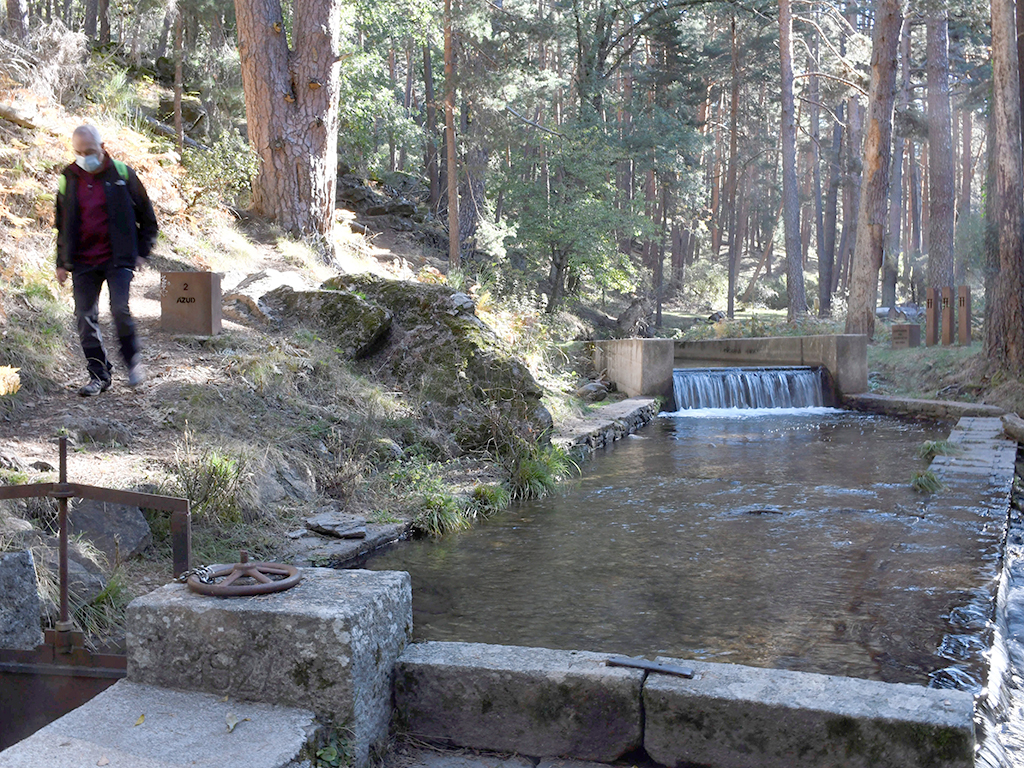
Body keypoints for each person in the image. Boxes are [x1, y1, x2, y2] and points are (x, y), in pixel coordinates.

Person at [55, 125, 158, 396]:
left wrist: (141, 252)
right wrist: (61, 262)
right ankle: (99, 375)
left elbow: (148, 218)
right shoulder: (68, 177)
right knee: (84, 317)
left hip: (118, 257)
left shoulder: (123, 174)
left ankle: (133, 363)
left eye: (88, 151)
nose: (84, 156)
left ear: (102, 147)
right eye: (78, 152)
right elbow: (61, 224)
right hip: (82, 260)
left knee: (120, 308)